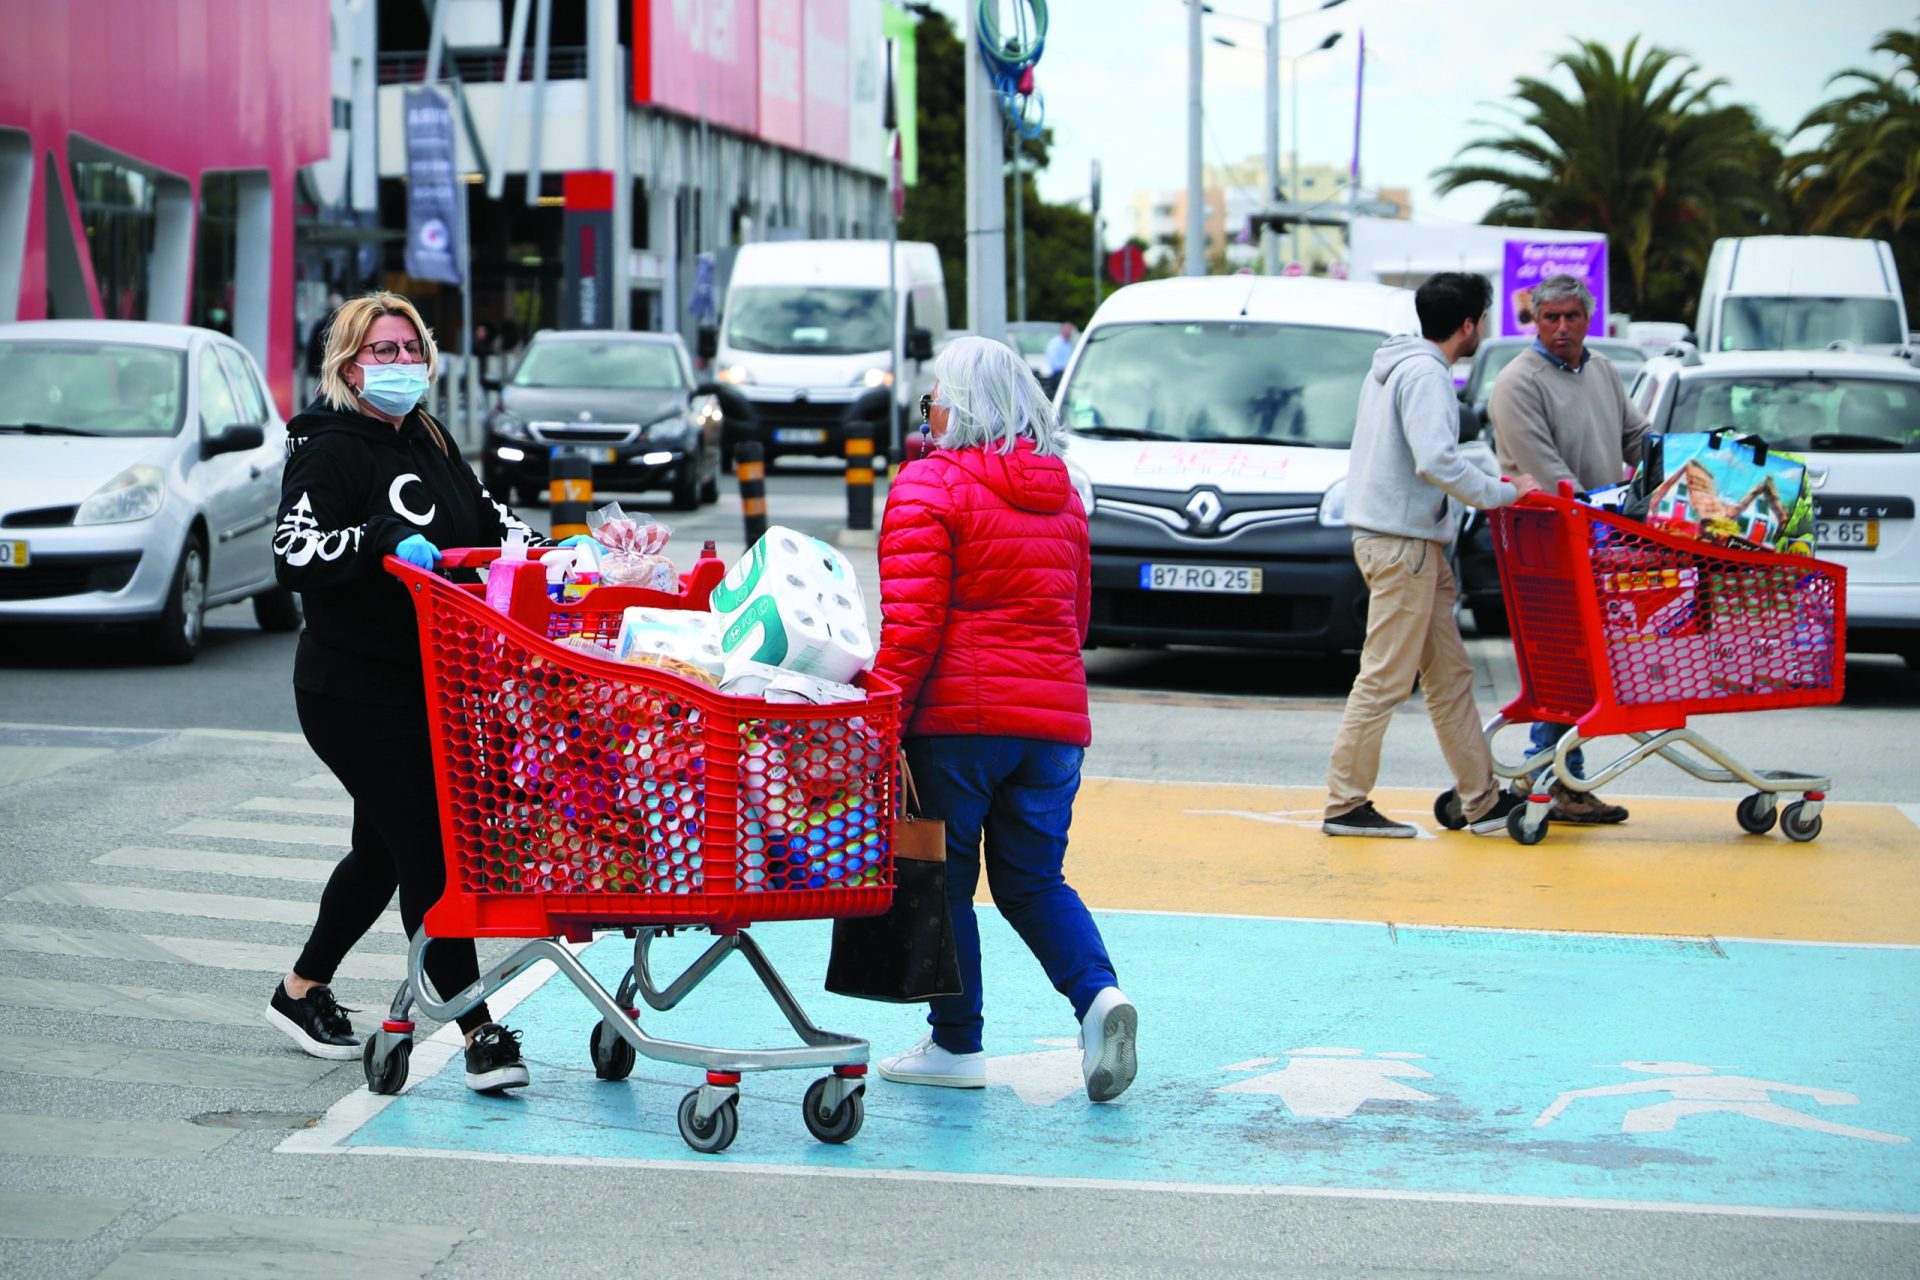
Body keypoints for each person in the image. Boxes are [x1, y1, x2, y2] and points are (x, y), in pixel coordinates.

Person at [266, 291, 557, 1093]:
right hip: (351, 690)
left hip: (434, 683)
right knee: (431, 850)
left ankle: (301, 992)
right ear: (348, 364)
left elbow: (493, 526)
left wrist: (571, 554)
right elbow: (294, 553)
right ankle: (479, 1032)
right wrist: (380, 540)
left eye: (409, 349)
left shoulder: (429, 437)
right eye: (381, 351)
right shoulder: (329, 450)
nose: (398, 365)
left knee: (382, 849)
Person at [871, 335, 1137, 1104]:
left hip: (957, 724)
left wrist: (882, 717)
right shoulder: (1063, 496)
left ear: (963, 404)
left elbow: (912, 626)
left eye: (937, 395)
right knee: (1033, 880)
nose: (932, 409)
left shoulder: (929, 488)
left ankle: (956, 1045)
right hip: (1052, 726)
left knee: (945, 882)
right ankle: (1098, 999)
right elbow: (1075, 620)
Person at [1324, 272, 1539, 839]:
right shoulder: (1426, 375)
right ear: (1468, 325)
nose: (1483, 329)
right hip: (1403, 546)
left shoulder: (1398, 366)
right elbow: (1436, 461)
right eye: (1482, 320)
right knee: (1385, 678)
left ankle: (1482, 799)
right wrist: (1502, 495)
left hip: (1405, 543)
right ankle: (1345, 804)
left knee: (1450, 677)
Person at [1488, 272, 1652, 825]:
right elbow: (1546, 471)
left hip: (1600, 538)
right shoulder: (1517, 382)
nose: (1561, 327)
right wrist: (1594, 513)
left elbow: (1636, 438)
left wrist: (1673, 468)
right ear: (1534, 321)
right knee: (1562, 659)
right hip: (1549, 542)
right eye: (1550, 317)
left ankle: (1555, 776)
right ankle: (1552, 776)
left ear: (1589, 318)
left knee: (1579, 665)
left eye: (1571, 317)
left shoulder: (1603, 369)